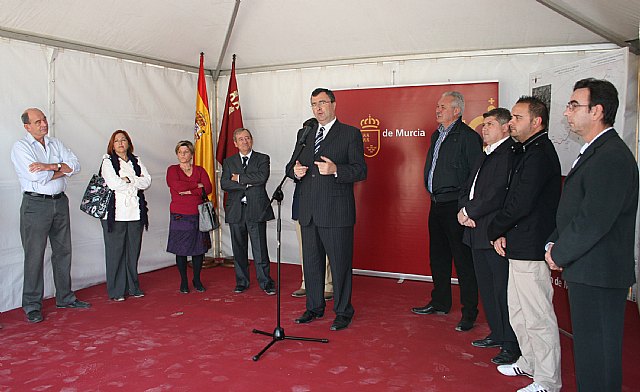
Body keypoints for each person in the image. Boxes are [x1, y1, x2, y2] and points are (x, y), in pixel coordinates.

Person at [545, 78, 638, 392]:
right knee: (589, 351)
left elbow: (593, 221)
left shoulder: (610, 156)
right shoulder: (595, 151)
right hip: (589, 269)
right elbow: (575, 209)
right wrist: (554, 242)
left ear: (597, 111)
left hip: (600, 272)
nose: (567, 113)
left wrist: (558, 253)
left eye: (574, 105)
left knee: (598, 354)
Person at [487, 96, 562, 392]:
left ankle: (547, 380)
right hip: (518, 243)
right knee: (518, 310)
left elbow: (521, 202)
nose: (511, 123)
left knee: (537, 315)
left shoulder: (540, 153)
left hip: (531, 247)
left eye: (517, 117)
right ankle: (529, 361)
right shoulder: (526, 150)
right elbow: (513, 198)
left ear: (536, 121)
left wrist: (495, 228)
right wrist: (503, 232)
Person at [286, 87, 367, 331]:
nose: (318, 108)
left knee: (340, 264)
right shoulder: (306, 132)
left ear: (333, 104)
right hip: (308, 211)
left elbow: (361, 170)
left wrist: (336, 170)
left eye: (322, 103)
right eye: (313, 104)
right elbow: (291, 165)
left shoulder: (350, 133)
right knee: (311, 263)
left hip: (336, 212)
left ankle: (343, 311)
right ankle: (314, 307)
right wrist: (295, 172)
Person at [11, 108, 90, 324]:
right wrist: (60, 169)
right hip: (35, 205)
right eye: (38, 121)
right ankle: (32, 305)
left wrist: (50, 166)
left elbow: (76, 165)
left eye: (44, 119)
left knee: (63, 251)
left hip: (60, 202)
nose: (43, 124)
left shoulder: (55, 143)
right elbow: (36, 177)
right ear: (27, 126)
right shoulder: (21, 147)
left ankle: (65, 297)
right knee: (34, 256)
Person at [412, 91, 482, 332]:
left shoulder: (468, 137)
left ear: (457, 111)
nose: (437, 109)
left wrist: (465, 207)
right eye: (437, 105)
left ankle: (469, 312)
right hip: (436, 203)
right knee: (438, 257)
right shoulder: (436, 135)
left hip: (456, 206)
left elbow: (475, 175)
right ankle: (440, 302)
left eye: (442, 106)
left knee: (463, 262)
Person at [458, 108, 520, 364]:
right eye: (484, 124)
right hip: (474, 230)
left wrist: (470, 211)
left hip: (493, 232)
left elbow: (496, 194)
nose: (485, 129)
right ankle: (497, 333)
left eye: (491, 124)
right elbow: (468, 186)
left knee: (501, 290)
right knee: (486, 287)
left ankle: (511, 343)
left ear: (506, 127)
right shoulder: (486, 153)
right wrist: (463, 209)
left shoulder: (509, 154)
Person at [220, 128, 276, 295]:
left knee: (260, 249)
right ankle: (242, 281)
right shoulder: (229, 162)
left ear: (252, 140)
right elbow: (224, 184)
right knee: (239, 249)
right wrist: (247, 183)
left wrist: (237, 178)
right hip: (236, 210)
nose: (245, 141)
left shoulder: (262, 158)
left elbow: (261, 178)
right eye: (241, 139)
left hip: (256, 209)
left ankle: (266, 282)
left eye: (247, 138)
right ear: (235, 143)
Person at [100, 130, 151, 301]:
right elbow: (114, 184)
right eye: (117, 141)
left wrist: (130, 180)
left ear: (128, 143)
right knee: (116, 253)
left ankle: (133, 286)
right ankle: (117, 290)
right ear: (112, 145)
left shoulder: (137, 161)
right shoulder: (107, 162)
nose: (121, 143)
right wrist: (134, 180)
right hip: (115, 215)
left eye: (124, 140)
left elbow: (147, 181)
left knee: (132, 251)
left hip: (135, 213)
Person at [166, 140, 213, 293]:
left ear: (192, 154)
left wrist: (190, 191)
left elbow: (208, 187)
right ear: (177, 154)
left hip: (198, 215)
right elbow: (176, 186)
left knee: (199, 250)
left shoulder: (200, 170)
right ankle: (184, 281)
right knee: (181, 250)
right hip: (179, 215)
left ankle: (197, 279)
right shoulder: (172, 170)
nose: (183, 155)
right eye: (180, 152)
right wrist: (195, 186)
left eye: (186, 152)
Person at [291, 182, 333, 300]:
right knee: (304, 249)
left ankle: (327, 285)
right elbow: (289, 170)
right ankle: (307, 283)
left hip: (325, 205)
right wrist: (296, 171)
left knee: (326, 249)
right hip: (302, 206)